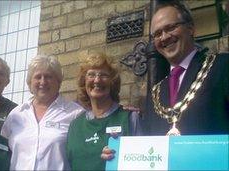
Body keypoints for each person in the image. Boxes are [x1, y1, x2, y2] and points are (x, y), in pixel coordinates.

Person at [143, 0, 229, 135]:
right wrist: (114, 151)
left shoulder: (222, 66)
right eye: (158, 34)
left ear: (190, 28)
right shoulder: (155, 94)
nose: (164, 37)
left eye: (171, 28)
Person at [1, 55, 84, 170]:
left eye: (49, 77)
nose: (43, 82)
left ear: (59, 82)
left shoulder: (75, 114)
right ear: (30, 83)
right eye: (38, 77)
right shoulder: (16, 114)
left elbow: (85, 153)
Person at [66, 52, 141, 170]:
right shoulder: (74, 126)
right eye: (91, 75)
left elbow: (142, 162)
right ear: (83, 82)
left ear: (113, 82)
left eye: (104, 75)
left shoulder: (129, 118)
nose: (97, 80)